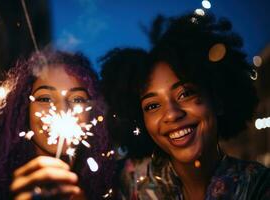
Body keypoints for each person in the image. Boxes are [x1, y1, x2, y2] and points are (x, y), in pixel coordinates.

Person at [100, 13, 270, 199]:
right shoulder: (132, 184)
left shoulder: (257, 186)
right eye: (152, 106)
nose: (172, 114)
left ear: (217, 100)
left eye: (185, 94)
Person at [0, 49, 116, 200]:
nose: (61, 111)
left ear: (92, 112)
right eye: (45, 99)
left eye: (77, 99)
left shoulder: (107, 187)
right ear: (24, 108)